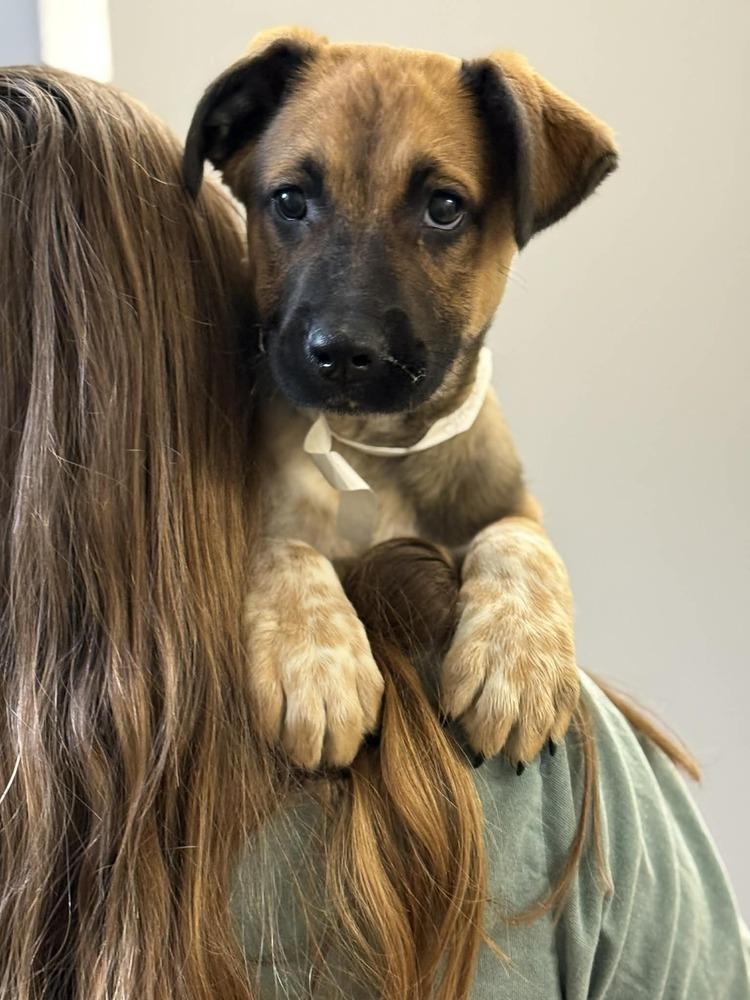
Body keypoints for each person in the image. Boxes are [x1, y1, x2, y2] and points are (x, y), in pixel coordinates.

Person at [0, 67, 747, 1000]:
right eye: (290, 206)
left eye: (439, 209)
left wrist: (517, 569)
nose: (345, 321)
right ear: (205, 299)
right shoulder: (557, 792)